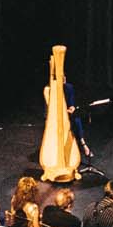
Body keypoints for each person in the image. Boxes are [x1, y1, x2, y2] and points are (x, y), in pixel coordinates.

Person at [39, 44, 83, 183]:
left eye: (63, 78)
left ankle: (82, 143)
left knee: (76, 122)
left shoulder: (69, 88)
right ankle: (55, 164)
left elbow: (71, 102)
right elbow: (51, 106)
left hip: (66, 116)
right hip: (53, 117)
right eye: (60, 78)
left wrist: (71, 108)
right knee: (53, 130)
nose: (62, 80)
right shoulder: (49, 90)